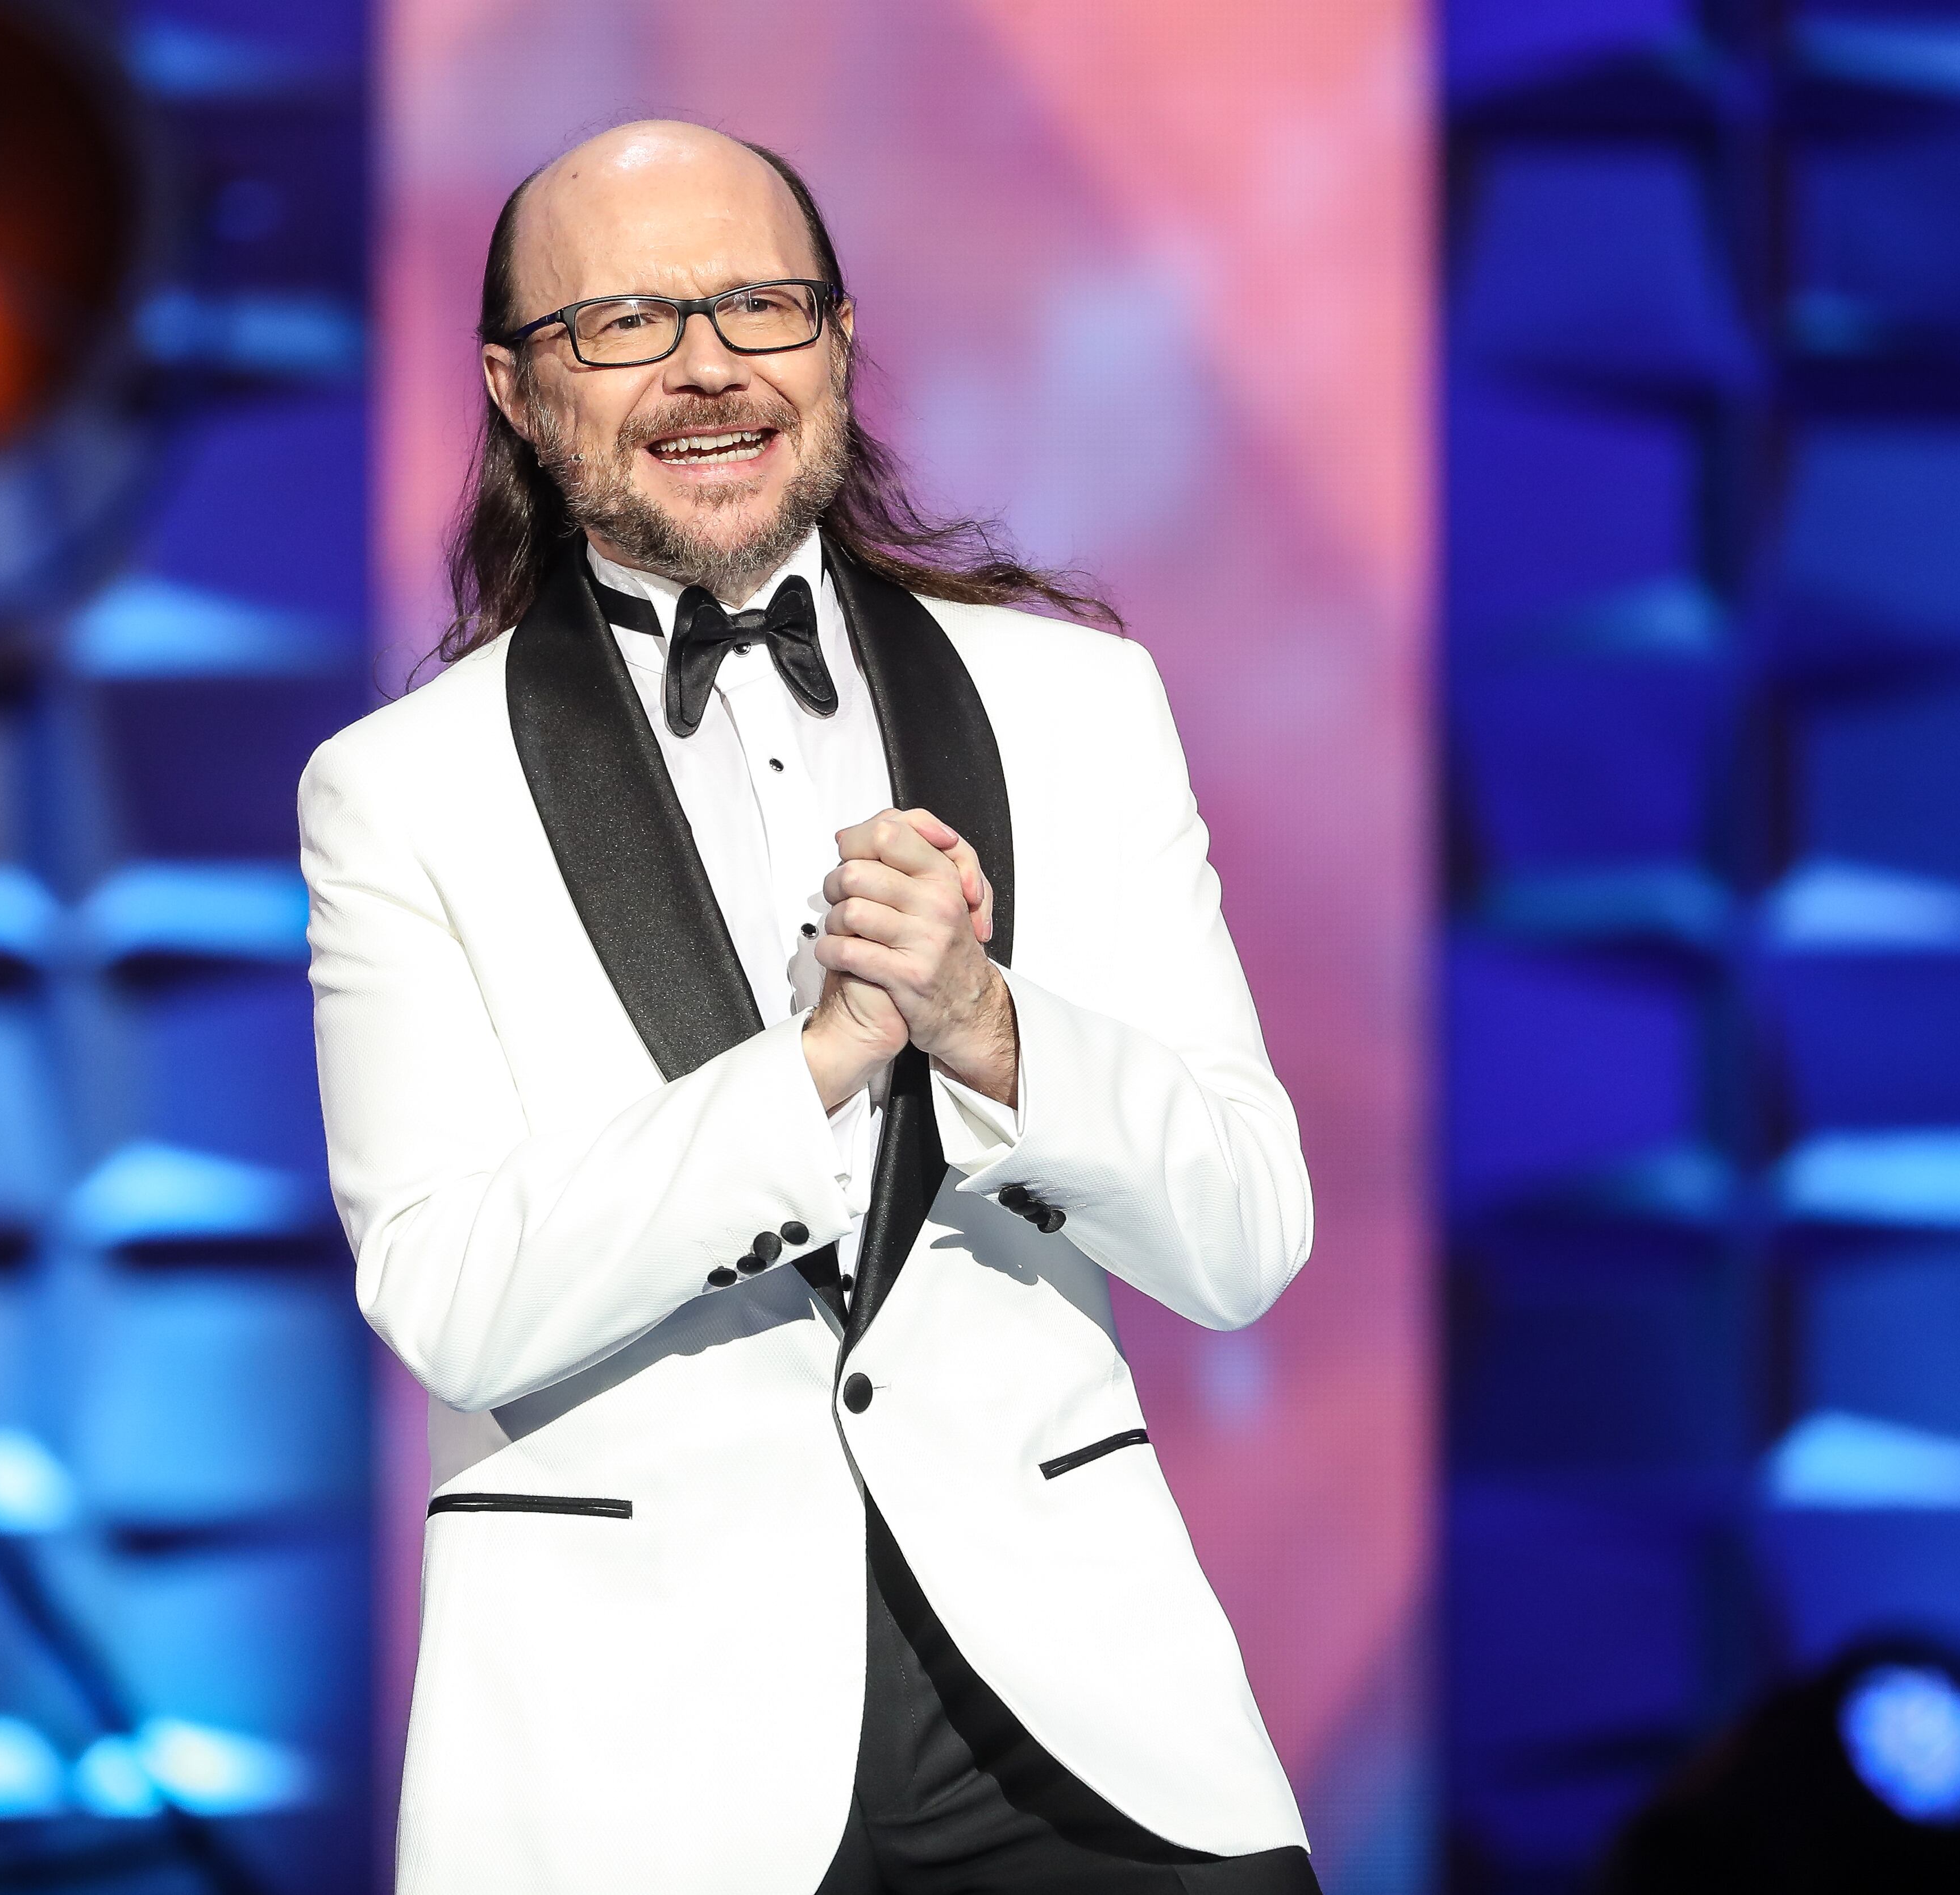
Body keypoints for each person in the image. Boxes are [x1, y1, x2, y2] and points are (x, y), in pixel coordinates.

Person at [300, 121, 1320, 1895]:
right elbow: (454, 1303)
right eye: (624, 321)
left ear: (837, 342)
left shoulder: (1078, 700)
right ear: (518, 390)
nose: (708, 366)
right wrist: (826, 1063)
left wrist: (989, 1029)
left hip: (1084, 1722)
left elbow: (1243, 1239)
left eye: (759, 305)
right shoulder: (400, 792)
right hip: (636, 1760)